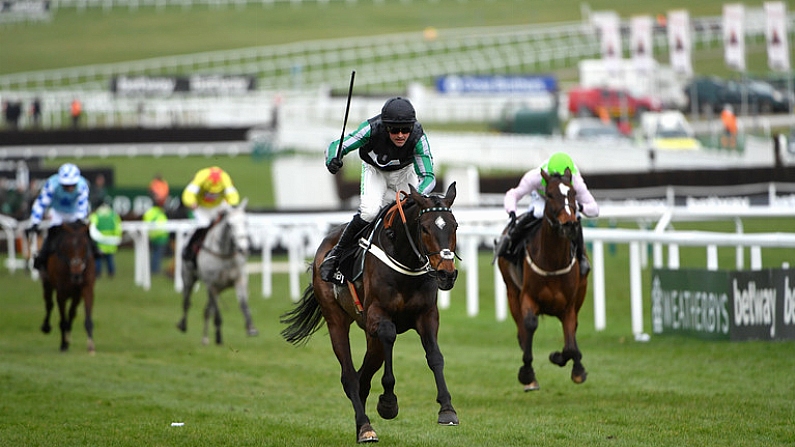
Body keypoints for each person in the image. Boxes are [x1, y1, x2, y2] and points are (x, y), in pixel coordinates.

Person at [319, 96, 436, 283]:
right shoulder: (371, 128)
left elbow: (428, 177)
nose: (400, 135)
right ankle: (336, 256)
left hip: (405, 173)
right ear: (385, 126)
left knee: (414, 213)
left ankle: (429, 263)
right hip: (375, 171)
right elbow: (339, 145)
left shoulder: (418, 137)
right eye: (394, 130)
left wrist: (417, 196)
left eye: (405, 129)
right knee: (369, 212)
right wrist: (333, 158)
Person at [500, 152, 599, 276]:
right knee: (536, 213)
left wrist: (579, 207)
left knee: (575, 218)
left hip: (565, 202)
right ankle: (511, 244)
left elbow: (595, 209)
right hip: (543, 198)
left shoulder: (576, 181)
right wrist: (512, 211)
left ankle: (581, 257)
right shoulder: (535, 176)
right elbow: (513, 194)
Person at [26, 163, 101, 270]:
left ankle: (94, 249)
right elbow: (41, 203)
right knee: (52, 234)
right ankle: (42, 257)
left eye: (72, 185)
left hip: (75, 213)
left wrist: (80, 219)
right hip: (57, 213)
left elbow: (83, 205)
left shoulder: (82, 185)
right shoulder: (52, 184)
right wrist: (35, 221)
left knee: (84, 233)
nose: (70, 187)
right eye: (66, 185)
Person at [180, 166, 240, 266]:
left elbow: (233, 196)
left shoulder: (225, 178)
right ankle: (188, 249)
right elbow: (188, 193)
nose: (212, 192)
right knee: (201, 226)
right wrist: (191, 202)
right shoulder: (201, 176)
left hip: (218, 206)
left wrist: (231, 206)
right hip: (201, 208)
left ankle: (235, 250)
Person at [88, 198, 122, 279]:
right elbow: (118, 227)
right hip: (111, 241)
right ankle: (111, 273)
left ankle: (97, 273)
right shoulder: (113, 215)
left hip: (99, 241)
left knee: (98, 259)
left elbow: (92, 226)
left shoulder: (96, 215)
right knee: (110, 259)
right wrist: (116, 237)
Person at [143, 195, 169, 275]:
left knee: (154, 253)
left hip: (151, 236)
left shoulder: (149, 212)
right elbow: (163, 223)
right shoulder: (160, 212)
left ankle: (153, 268)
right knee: (157, 254)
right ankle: (155, 269)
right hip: (161, 236)